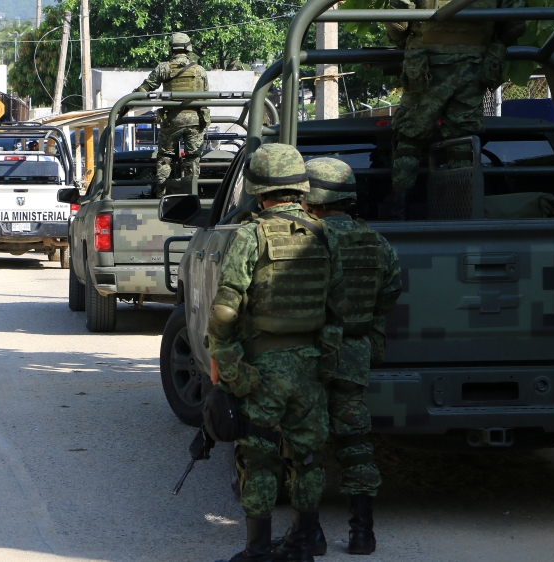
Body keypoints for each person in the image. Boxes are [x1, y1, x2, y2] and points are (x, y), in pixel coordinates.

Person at [209, 144, 348, 562]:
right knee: (307, 457)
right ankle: (304, 542)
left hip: (261, 370)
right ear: (301, 189)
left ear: (259, 190)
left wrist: (227, 362)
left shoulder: (250, 235)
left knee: (259, 455)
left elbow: (224, 309)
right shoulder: (324, 236)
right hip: (308, 366)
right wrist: (325, 361)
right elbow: (338, 307)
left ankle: (257, 550)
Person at [290, 158, 402, 556]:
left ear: (312, 197)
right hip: (354, 353)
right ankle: (362, 533)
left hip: (308, 353)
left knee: (306, 444)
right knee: (355, 441)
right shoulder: (375, 241)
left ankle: (311, 535)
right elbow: (391, 292)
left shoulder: (304, 239)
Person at [382, 0, 525, 220]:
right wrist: (493, 42)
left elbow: (398, 23)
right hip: (474, 65)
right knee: (463, 139)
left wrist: (404, 42)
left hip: (426, 66)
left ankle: (398, 209)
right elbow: (515, 25)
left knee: (410, 137)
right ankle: (463, 209)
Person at [133, 32, 210, 194]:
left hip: (171, 120)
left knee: (165, 158)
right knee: (192, 159)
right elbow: (205, 98)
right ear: (188, 49)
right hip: (194, 121)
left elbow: (145, 88)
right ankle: (192, 192)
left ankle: (161, 193)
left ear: (171, 49)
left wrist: (129, 102)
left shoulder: (164, 68)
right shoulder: (199, 70)